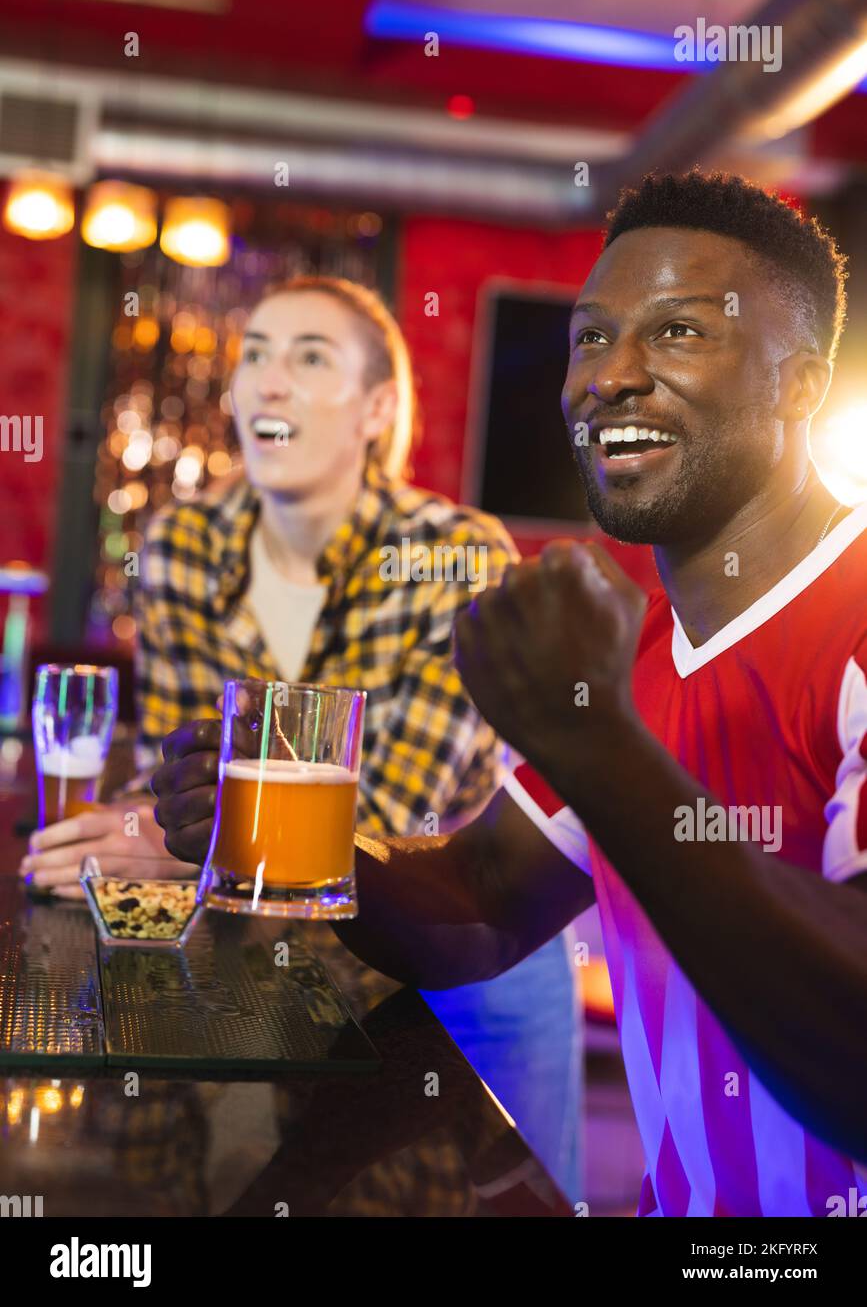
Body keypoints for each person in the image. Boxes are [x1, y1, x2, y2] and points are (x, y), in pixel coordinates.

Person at [154, 174, 867, 1217]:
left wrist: (598, 744)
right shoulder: (644, 652)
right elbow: (485, 902)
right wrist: (282, 830)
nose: (610, 377)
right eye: (589, 338)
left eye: (675, 333)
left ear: (801, 385)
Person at [23, 275, 582, 1201]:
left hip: (459, 956)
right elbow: (185, 778)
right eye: (255, 357)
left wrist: (160, 833)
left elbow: (379, 819)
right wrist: (163, 826)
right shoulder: (182, 544)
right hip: (268, 962)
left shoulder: (456, 554)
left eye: (308, 357)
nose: (267, 383)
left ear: (377, 409)